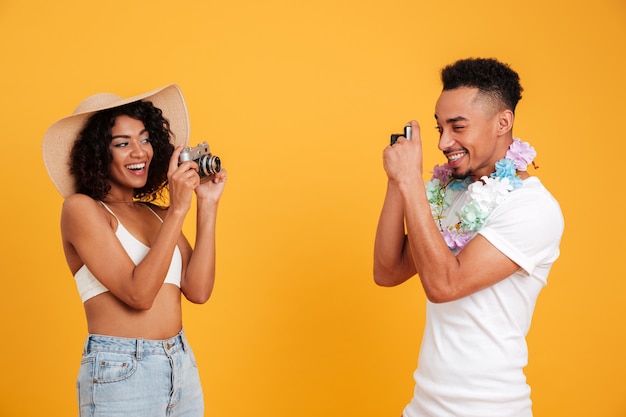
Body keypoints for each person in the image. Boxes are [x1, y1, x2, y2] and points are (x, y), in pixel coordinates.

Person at [373, 58, 564, 417]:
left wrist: (413, 182)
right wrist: (398, 181)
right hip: (424, 406)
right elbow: (388, 271)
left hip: (488, 408)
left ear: (502, 122)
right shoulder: (453, 193)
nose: (444, 142)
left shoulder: (533, 207)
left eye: (458, 127)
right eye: (439, 128)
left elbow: (446, 285)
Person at [42, 84, 227, 417]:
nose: (139, 152)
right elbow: (139, 294)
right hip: (122, 371)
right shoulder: (82, 210)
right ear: (99, 153)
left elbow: (198, 291)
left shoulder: (155, 214)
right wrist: (178, 210)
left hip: (180, 365)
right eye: (122, 144)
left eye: (144, 139)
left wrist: (207, 205)